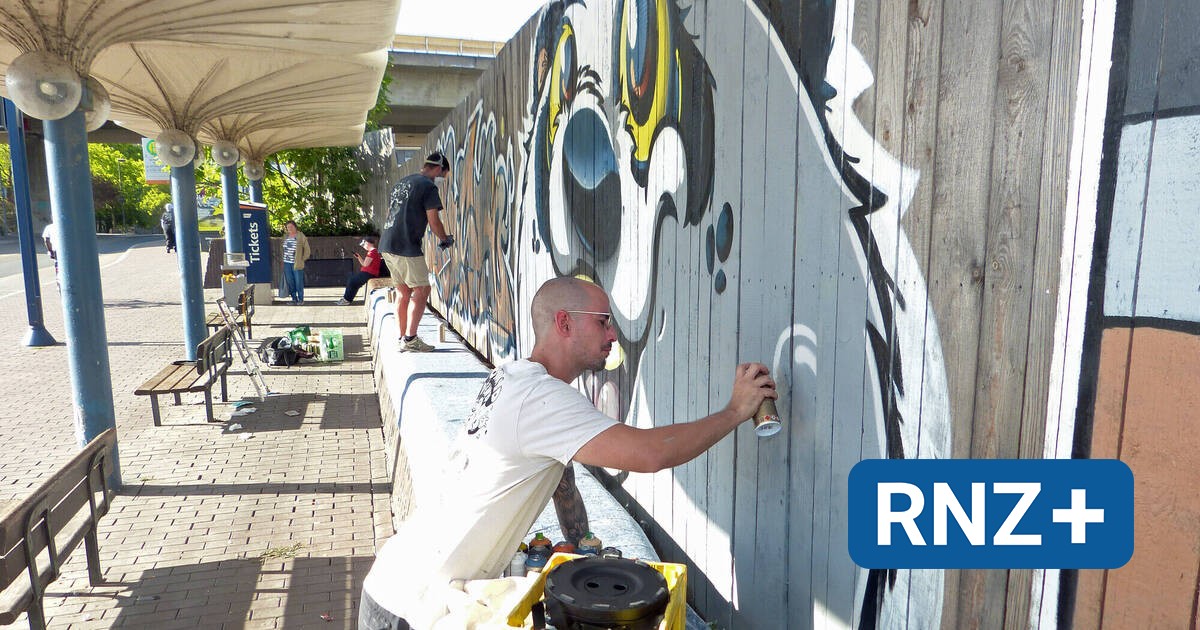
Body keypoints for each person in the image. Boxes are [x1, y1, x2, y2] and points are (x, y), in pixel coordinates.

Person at [358, 277, 777, 628]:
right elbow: (651, 454)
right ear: (564, 322)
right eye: (602, 322)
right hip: (411, 607)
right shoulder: (543, 398)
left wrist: (582, 547)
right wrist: (736, 410)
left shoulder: (514, 377)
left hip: (398, 580)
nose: (613, 335)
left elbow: (560, 473)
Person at [379, 151, 454, 352]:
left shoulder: (403, 182)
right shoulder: (428, 186)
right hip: (406, 245)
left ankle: (402, 337)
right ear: (438, 169)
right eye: (443, 175)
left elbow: (391, 213)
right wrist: (445, 239)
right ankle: (411, 339)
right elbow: (434, 221)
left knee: (403, 292)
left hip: (387, 243)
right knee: (422, 290)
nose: (440, 180)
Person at [337, 235, 383, 305]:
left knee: (352, 281)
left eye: (364, 244)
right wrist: (359, 257)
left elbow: (365, 264)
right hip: (367, 273)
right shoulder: (372, 252)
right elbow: (364, 264)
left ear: (368, 243)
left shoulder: (372, 252)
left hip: (369, 274)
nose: (363, 246)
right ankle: (347, 299)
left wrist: (360, 258)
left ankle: (346, 300)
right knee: (353, 281)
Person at [281, 220, 311, 305]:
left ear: (295, 227)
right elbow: (282, 249)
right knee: (290, 281)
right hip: (287, 263)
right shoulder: (285, 236)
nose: (289, 228)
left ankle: (301, 299)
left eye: (291, 227)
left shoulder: (301, 236)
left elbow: (307, 250)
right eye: (288, 227)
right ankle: (294, 299)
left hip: (297, 263)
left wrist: (302, 259)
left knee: (298, 282)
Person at [42, 221, 59, 289]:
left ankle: (59, 283)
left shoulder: (49, 227)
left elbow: (46, 240)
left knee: (58, 267)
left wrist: (50, 251)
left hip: (56, 250)